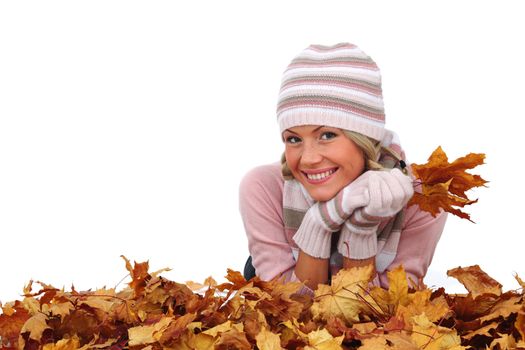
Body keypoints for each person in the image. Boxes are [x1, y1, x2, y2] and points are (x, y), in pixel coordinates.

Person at [239, 43, 446, 292]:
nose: (308, 159)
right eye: (294, 139)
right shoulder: (263, 186)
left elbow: (381, 314)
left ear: (365, 139)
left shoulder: (423, 199)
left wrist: (361, 228)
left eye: (327, 135)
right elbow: (289, 311)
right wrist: (319, 221)